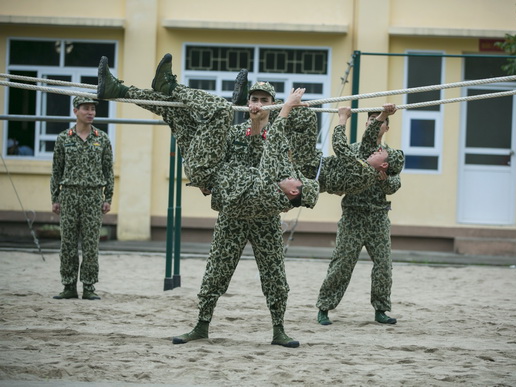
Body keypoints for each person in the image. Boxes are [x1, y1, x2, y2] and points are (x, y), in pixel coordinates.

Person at [97, 54, 318, 347]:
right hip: (233, 213)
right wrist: (211, 182)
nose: (258, 104)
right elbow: (217, 161)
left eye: (264, 100)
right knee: (216, 271)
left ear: (273, 106)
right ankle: (201, 325)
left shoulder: (279, 138)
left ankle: (279, 329)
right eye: (254, 98)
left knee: (275, 275)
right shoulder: (235, 132)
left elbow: (287, 161)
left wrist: (288, 112)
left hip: (264, 218)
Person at [316, 107, 404, 326]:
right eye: (372, 120)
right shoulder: (355, 150)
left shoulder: (390, 155)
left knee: (384, 265)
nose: (376, 124)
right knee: (342, 263)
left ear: (387, 127)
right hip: (353, 216)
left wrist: (384, 179)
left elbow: (395, 185)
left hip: (378, 217)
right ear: (367, 125)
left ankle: (381, 310)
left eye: (380, 121)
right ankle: (324, 308)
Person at [50, 96, 114, 301]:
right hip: (69, 194)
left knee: (90, 244)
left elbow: (108, 170)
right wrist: (55, 198)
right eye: (86, 108)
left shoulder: (102, 138)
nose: (91, 112)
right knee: (67, 243)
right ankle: (69, 286)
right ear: (75, 111)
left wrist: (108, 197)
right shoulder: (63, 138)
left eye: (93, 109)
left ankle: (89, 286)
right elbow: (56, 171)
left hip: (94, 196)